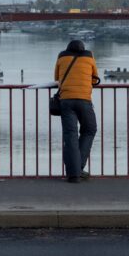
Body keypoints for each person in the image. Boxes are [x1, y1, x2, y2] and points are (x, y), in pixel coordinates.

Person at [54, 39, 99, 183]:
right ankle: (77, 169)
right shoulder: (89, 56)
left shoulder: (61, 56)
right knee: (90, 130)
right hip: (84, 100)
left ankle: (74, 173)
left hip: (66, 101)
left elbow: (56, 78)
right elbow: (95, 78)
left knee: (70, 135)